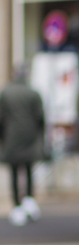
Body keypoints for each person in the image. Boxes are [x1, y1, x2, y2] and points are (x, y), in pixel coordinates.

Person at [0, 66, 44, 226]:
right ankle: (29, 200)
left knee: (14, 173)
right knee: (28, 170)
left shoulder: (6, 93)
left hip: (11, 138)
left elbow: (1, 118)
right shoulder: (33, 93)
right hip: (29, 137)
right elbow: (41, 118)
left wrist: (2, 139)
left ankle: (17, 205)